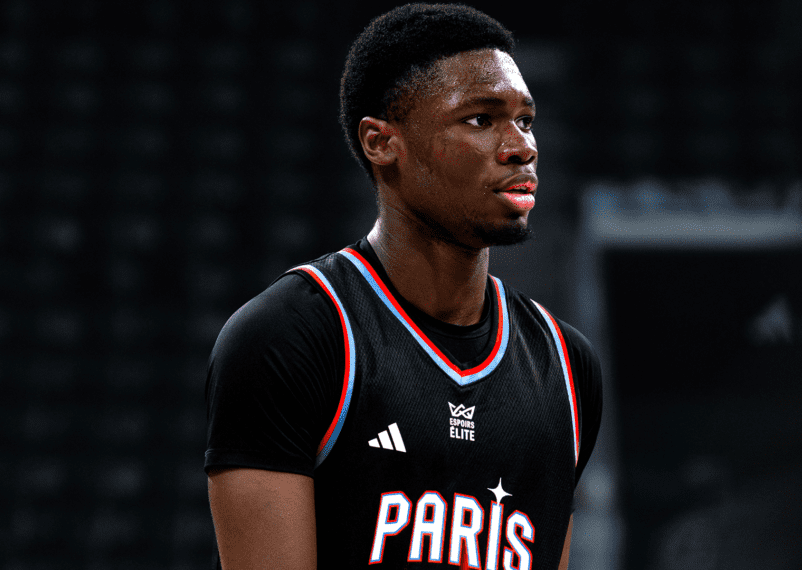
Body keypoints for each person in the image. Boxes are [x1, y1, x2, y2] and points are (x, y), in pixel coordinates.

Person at [204, 4, 603, 568]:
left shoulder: (566, 367)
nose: (521, 147)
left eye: (525, 120)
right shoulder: (288, 337)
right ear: (381, 142)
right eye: (480, 120)